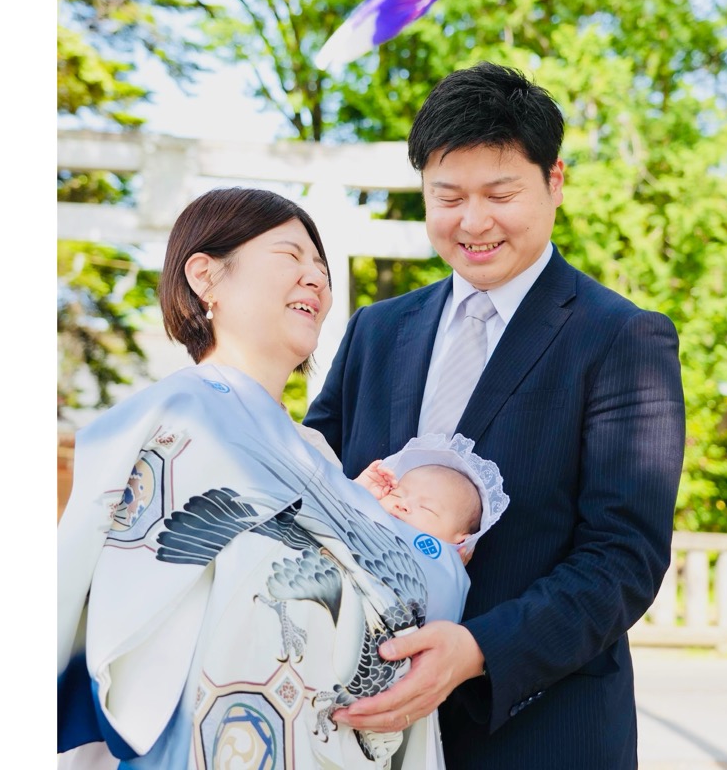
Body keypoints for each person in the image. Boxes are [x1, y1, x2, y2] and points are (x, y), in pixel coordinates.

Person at [303, 62, 687, 770]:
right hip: (356, 732)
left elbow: (623, 557)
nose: (473, 222)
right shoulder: (376, 331)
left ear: (555, 181)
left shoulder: (621, 338)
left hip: (540, 734)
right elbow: (308, 484)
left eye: (501, 194)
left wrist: (478, 650)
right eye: (447, 197)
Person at [57, 188, 499, 770]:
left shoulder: (315, 454)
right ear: (205, 276)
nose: (316, 278)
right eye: (290, 256)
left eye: (322, 268)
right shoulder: (175, 419)